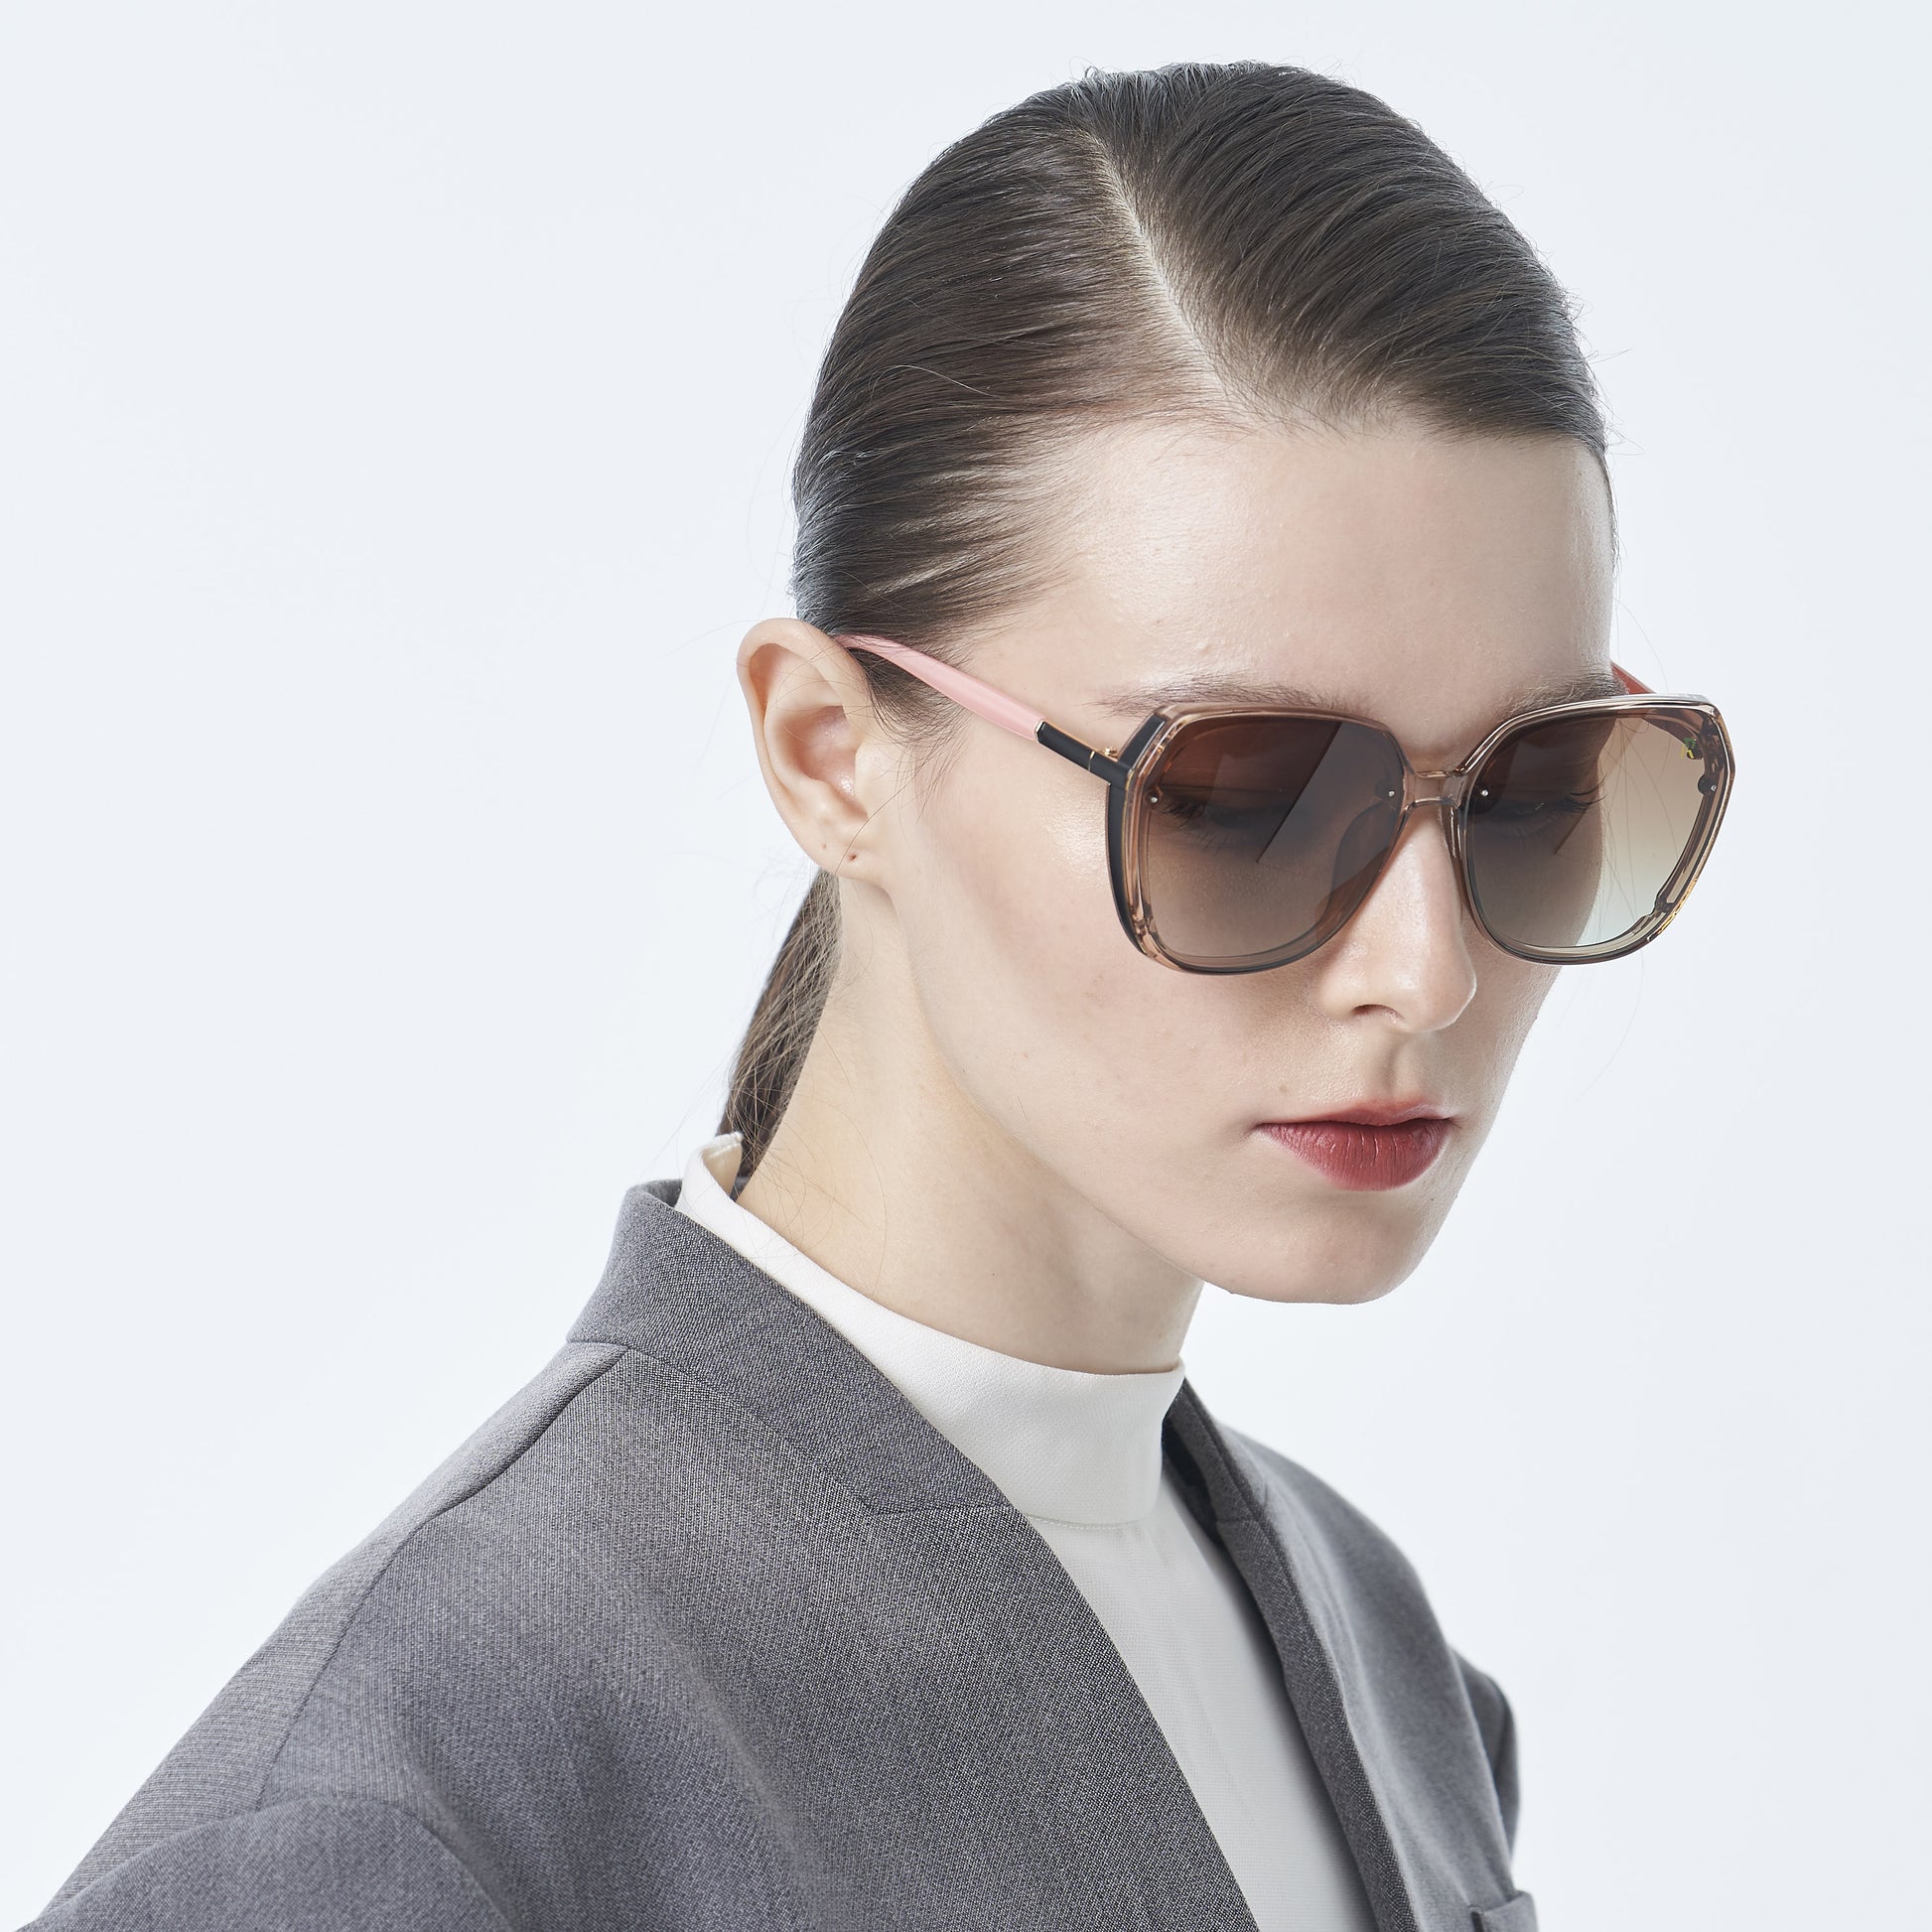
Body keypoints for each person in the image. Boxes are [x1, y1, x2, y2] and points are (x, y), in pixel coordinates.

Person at [26, 59, 1732, 1932]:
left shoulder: (1381, 1661)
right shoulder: (416, 1807)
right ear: (829, 752)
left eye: (1535, 793)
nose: (1425, 966)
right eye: (1242, 802)